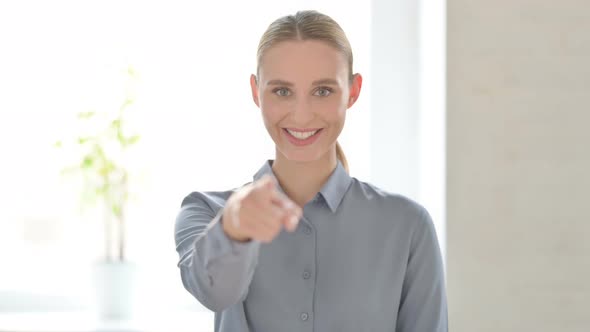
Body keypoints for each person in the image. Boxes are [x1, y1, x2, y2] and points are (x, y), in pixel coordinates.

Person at [174, 10, 447, 332]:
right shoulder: (205, 211)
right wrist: (233, 229)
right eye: (282, 91)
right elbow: (214, 293)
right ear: (255, 91)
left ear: (353, 91)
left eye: (322, 91)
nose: (301, 116)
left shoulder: (408, 224)